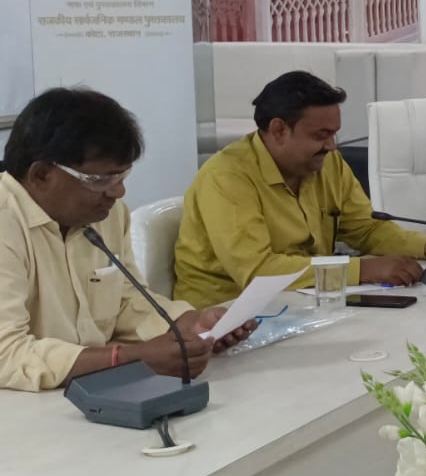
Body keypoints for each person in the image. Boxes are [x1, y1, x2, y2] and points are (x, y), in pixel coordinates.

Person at [0, 88, 255, 392]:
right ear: (41, 175)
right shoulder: (7, 221)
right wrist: (130, 359)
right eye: (100, 180)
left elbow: (124, 302)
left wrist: (187, 324)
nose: (118, 192)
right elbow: (6, 354)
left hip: (82, 393)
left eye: (122, 177)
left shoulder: (105, 214)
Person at [175, 71, 426, 306]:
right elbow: (258, 272)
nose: (332, 146)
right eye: (321, 135)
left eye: (334, 134)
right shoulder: (226, 178)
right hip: (223, 318)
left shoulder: (327, 163)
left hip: (303, 304)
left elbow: (366, 228)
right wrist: (362, 270)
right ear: (279, 130)